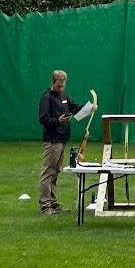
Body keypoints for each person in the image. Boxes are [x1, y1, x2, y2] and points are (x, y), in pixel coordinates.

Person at [37, 69, 85, 214]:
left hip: (63, 139)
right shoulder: (46, 98)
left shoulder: (64, 96)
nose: (61, 88)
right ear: (53, 82)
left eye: (63, 85)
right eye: (58, 86)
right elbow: (43, 118)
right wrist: (58, 120)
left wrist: (89, 108)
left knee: (55, 171)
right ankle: (45, 206)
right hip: (52, 141)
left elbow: (75, 108)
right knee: (48, 172)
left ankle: (53, 203)